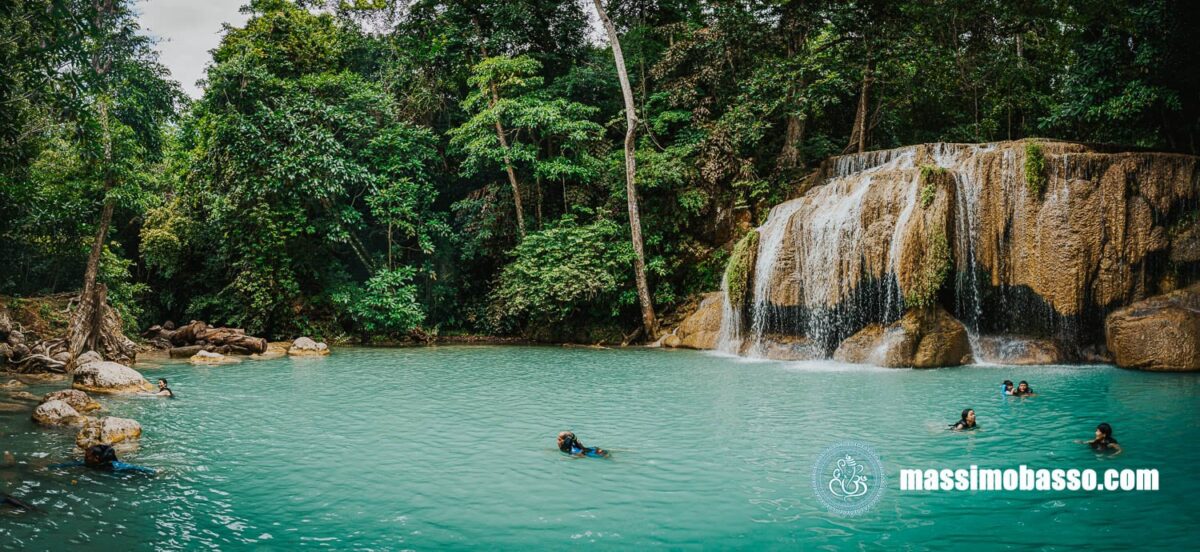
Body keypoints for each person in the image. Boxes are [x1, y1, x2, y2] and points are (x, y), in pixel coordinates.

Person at [51, 444, 156, 475]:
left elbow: (138, 469)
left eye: (87, 456)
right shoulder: (91, 464)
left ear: (96, 458)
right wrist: (51, 467)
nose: (84, 458)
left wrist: (156, 472)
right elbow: (71, 465)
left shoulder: (116, 466)